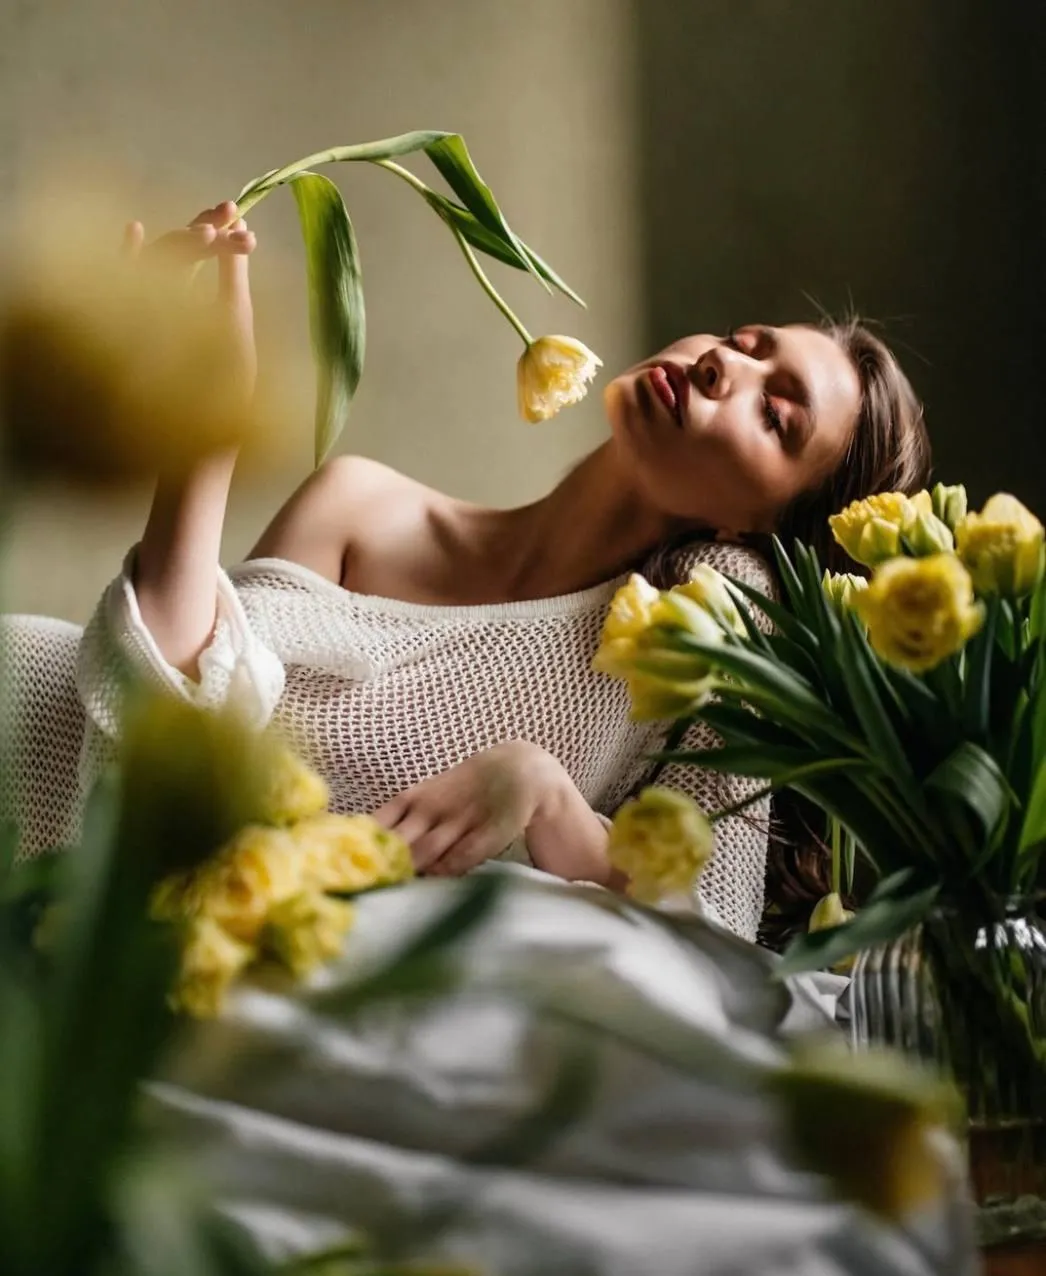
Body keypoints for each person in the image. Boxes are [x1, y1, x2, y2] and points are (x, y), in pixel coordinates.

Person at [76, 202, 931, 942]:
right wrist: (202, 431)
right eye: (746, 344)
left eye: (775, 415)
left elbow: (711, 918)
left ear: (757, 528)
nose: (724, 367)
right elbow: (166, 725)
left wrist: (543, 793)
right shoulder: (356, 504)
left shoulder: (699, 627)